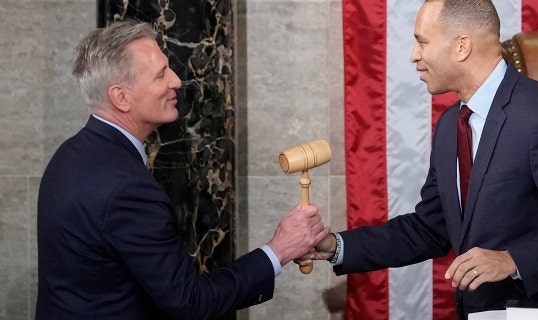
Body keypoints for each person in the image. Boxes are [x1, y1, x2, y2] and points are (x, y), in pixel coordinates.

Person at [297, 0, 538, 318]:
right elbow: (430, 228)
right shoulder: (452, 123)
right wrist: (337, 246)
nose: (414, 56)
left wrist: (512, 260)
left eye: (422, 41)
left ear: (462, 46)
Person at [36, 20, 330, 319]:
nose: (176, 81)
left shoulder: (71, 154)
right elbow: (191, 302)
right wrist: (279, 250)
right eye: (161, 74)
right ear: (121, 97)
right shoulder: (126, 188)